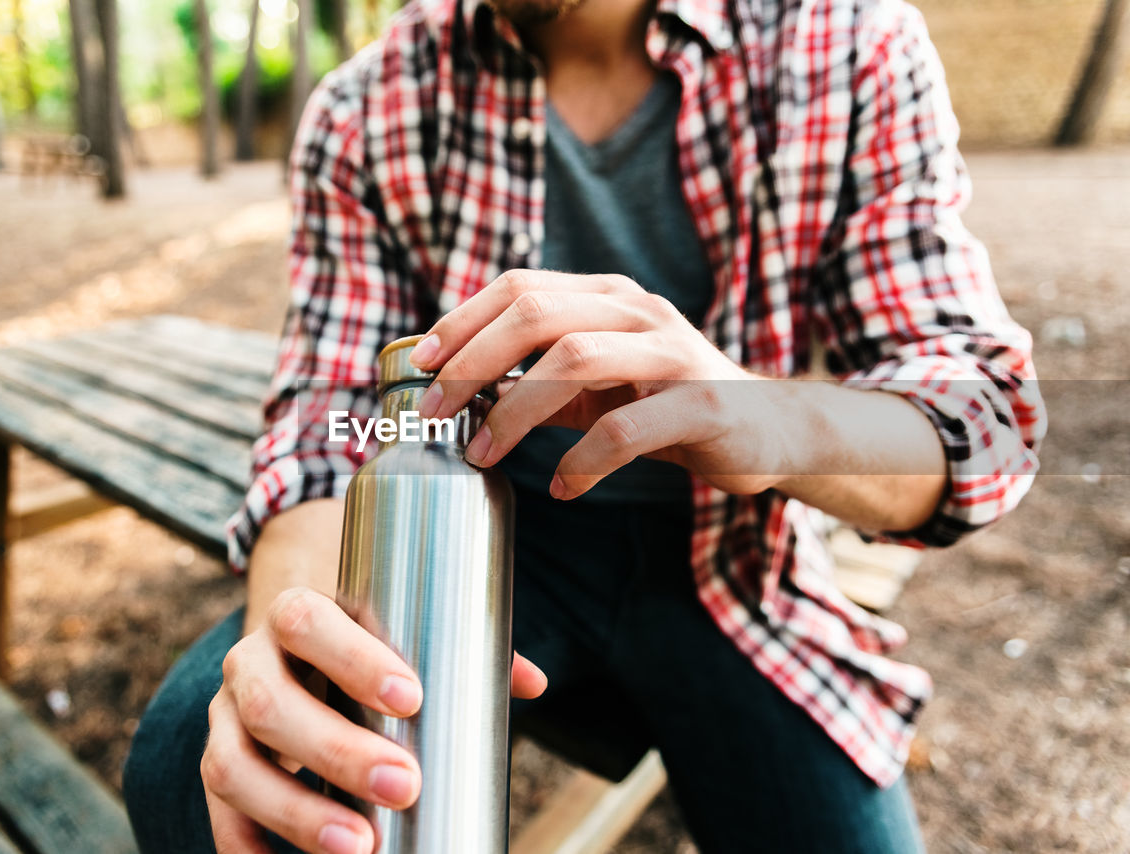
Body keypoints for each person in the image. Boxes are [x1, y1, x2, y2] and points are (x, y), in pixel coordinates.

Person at [122, 0, 1045, 851]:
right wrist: (293, 641)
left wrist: (761, 414)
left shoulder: (846, 43)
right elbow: (329, 432)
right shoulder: (368, 104)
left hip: (738, 564)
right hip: (479, 530)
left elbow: (986, 421)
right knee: (200, 763)